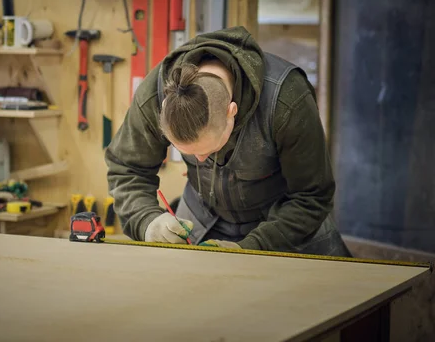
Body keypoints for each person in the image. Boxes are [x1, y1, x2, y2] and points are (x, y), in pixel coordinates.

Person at [104, 26, 351, 256]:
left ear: (232, 112)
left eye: (209, 149)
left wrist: (252, 248)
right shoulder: (157, 94)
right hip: (202, 218)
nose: (200, 160)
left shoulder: (286, 100)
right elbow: (126, 169)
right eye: (188, 153)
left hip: (286, 224)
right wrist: (146, 220)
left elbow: (311, 197)